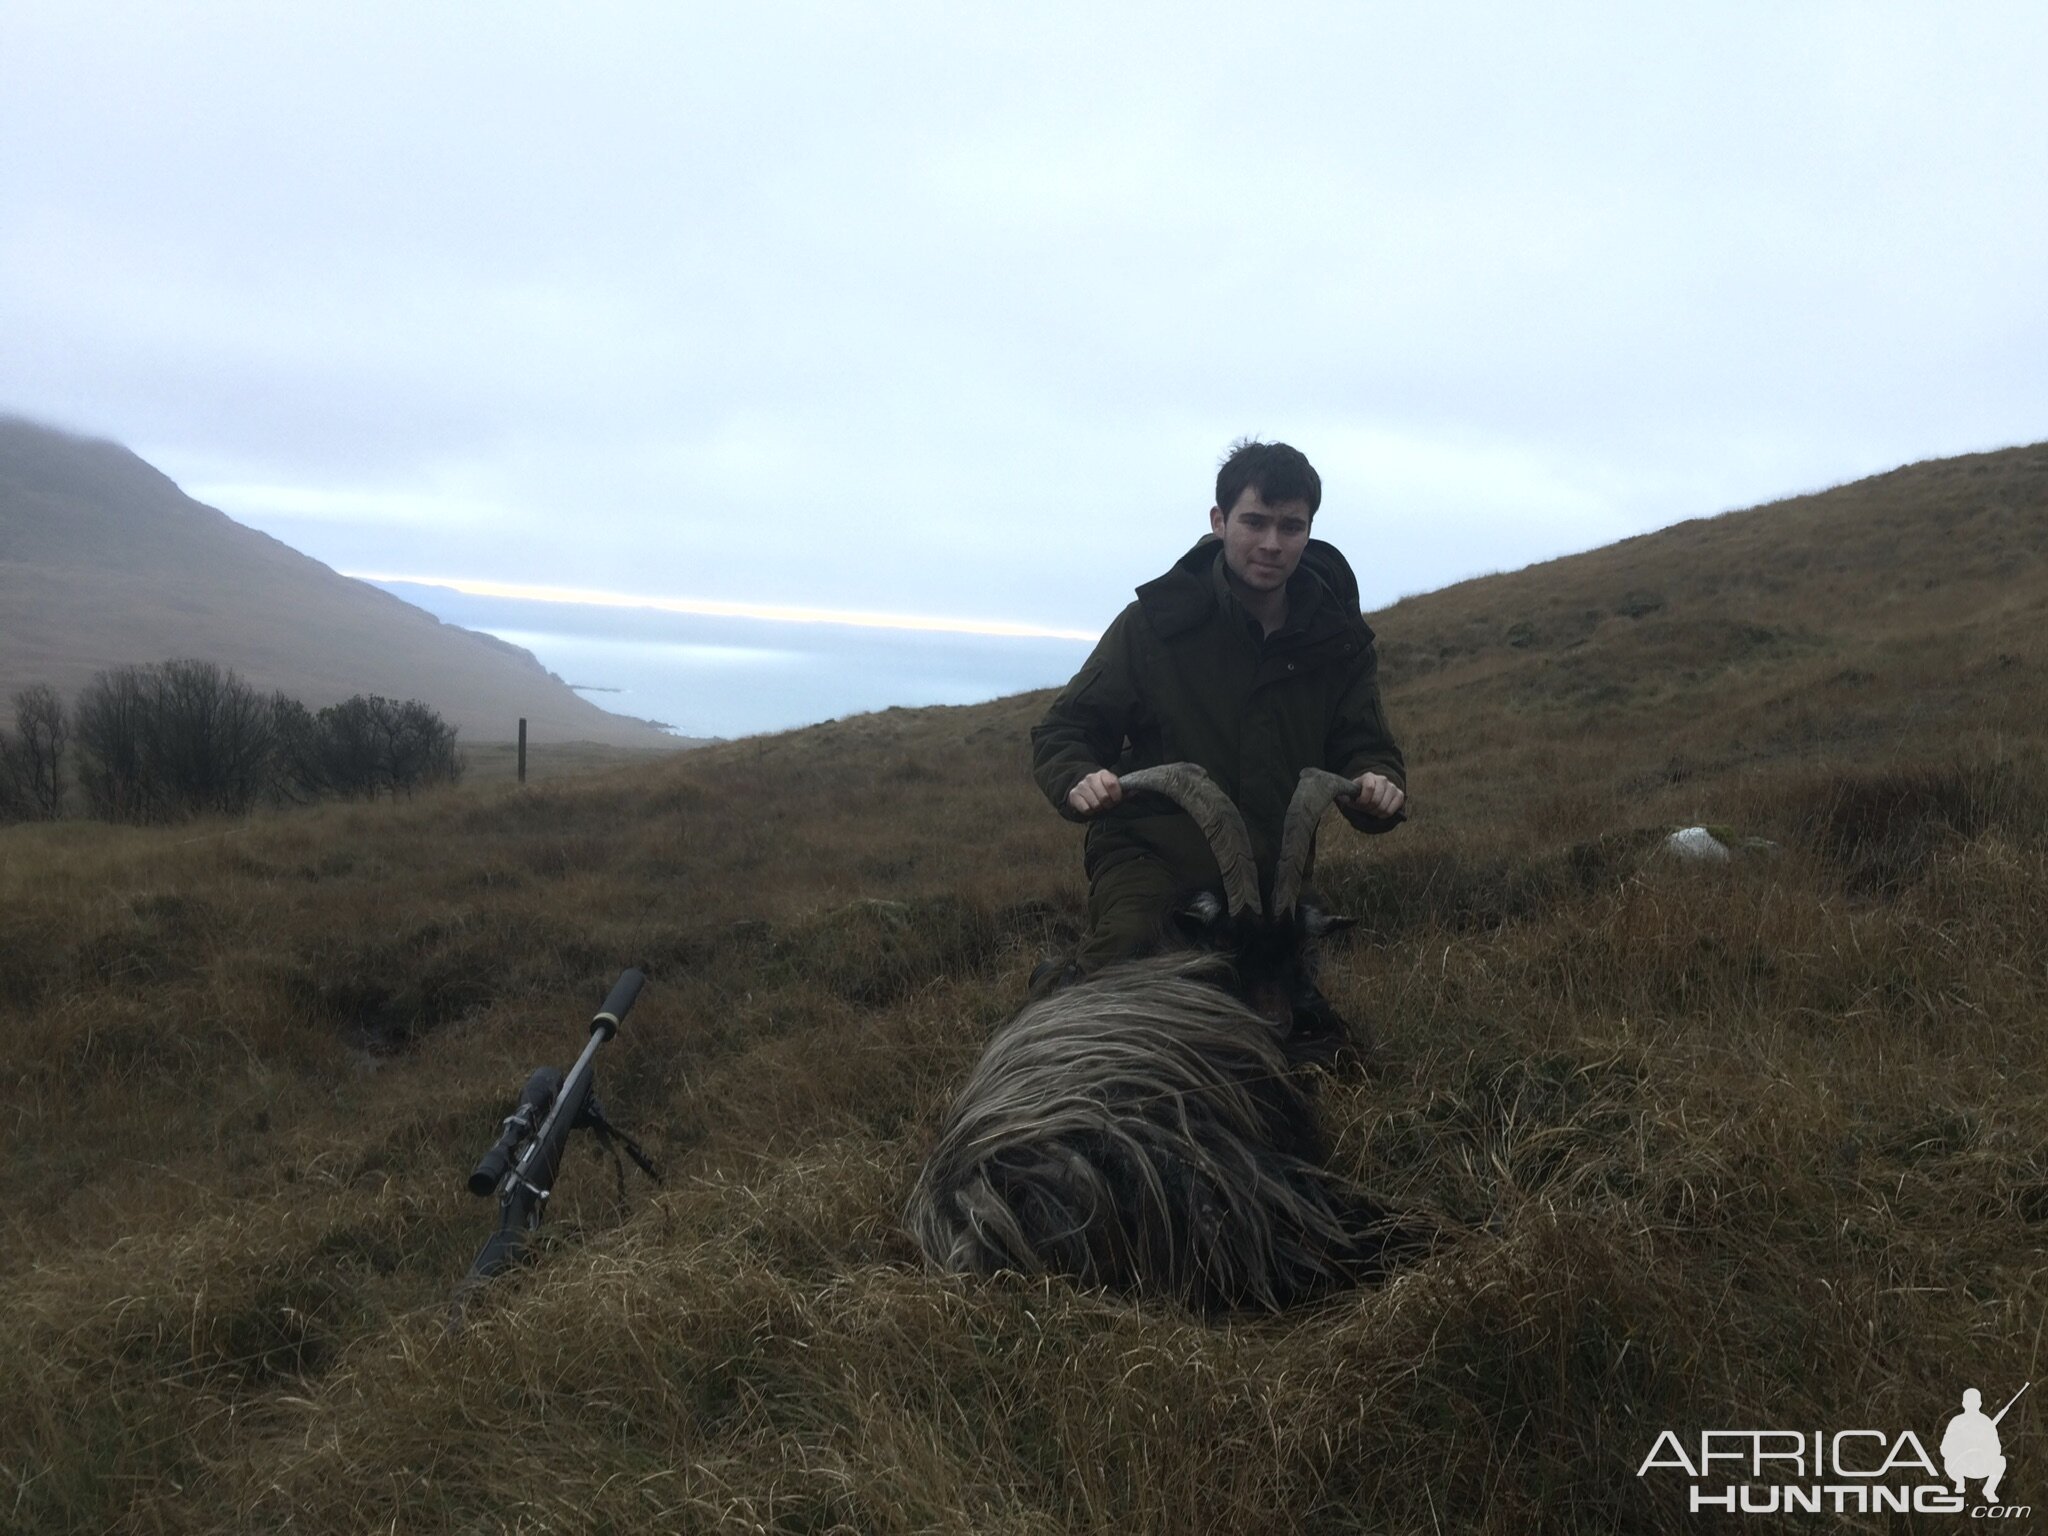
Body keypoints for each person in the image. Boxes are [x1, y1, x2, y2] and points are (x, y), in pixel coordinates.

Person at [1030, 438, 1406, 981]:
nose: (1272, 543)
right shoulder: (1154, 624)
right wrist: (1079, 777)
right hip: (1152, 860)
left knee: (1300, 1027)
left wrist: (1377, 784)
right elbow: (1067, 729)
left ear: (1309, 530)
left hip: (1272, 884)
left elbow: (1364, 746)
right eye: (1254, 522)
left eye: (1291, 526)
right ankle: (1042, 1022)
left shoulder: (1337, 639)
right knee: (1119, 969)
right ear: (1219, 521)